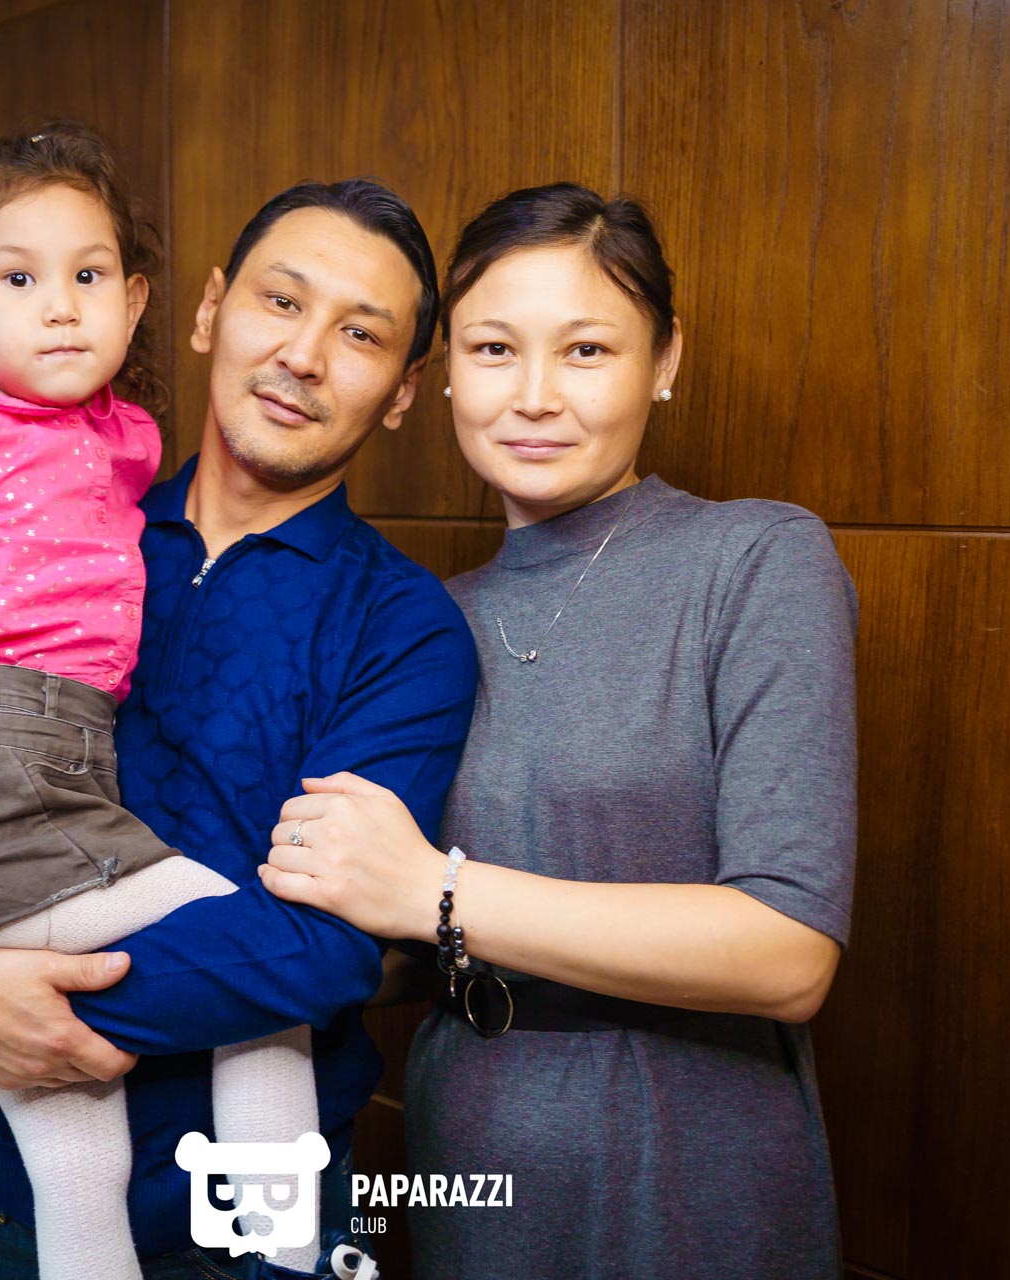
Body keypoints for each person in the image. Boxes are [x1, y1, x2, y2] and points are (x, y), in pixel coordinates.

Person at [0, 175, 479, 1280]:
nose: (302, 355)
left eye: (360, 334)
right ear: (207, 312)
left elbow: (327, 942)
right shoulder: (36, 515)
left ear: (401, 391)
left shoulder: (403, 627)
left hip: (246, 1223)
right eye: (280, 301)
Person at [259, 183, 860, 1278]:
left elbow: (787, 949)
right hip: (470, 1143)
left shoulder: (754, 560)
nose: (534, 397)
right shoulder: (420, 620)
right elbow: (382, 935)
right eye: (494, 349)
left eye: (586, 350)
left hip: (688, 1149)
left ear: (664, 360)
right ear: (445, 372)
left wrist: (435, 892)